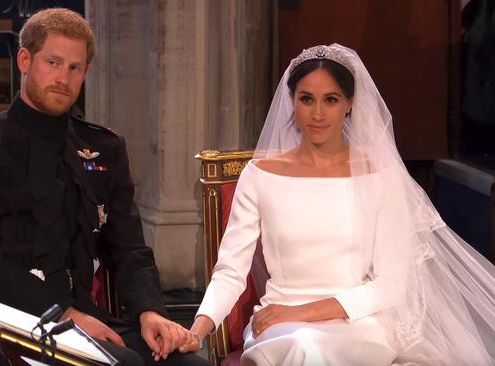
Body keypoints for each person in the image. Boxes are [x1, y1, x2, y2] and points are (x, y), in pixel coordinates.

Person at [179, 44, 495, 365]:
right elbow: (230, 273)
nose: (318, 114)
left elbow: (393, 285)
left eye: (330, 99)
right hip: (279, 327)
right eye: (307, 99)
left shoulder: (381, 175)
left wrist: (302, 312)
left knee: (310, 346)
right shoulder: (259, 176)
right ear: (292, 101)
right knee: (303, 346)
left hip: (359, 324)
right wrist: (197, 332)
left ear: (349, 103)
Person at [0, 8, 209, 366]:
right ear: (24, 60)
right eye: (52, 62)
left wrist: (150, 312)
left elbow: (129, 248)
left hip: (87, 321)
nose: (63, 78)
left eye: (74, 68)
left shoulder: (103, 148)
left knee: (190, 364)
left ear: (86, 73)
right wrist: (62, 313)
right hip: (4, 324)